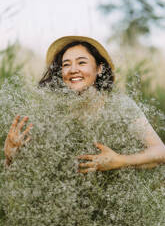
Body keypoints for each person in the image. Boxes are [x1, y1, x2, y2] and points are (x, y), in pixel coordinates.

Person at [4, 35, 165, 171]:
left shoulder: (119, 105)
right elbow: (33, 170)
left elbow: (160, 151)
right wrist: (11, 155)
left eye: (81, 62)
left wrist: (119, 161)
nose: (73, 69)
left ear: (99, 69)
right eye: (66, 64)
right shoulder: (52, 109)